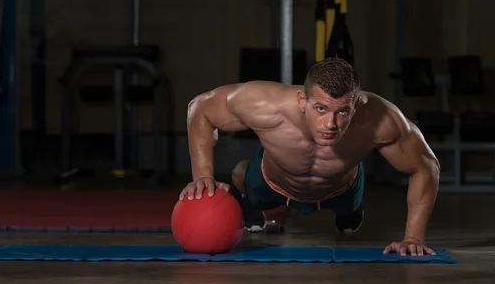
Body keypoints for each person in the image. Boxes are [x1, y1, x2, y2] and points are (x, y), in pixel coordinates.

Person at [179, 58, 440, 256]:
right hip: (273, 182)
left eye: (343, 112)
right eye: (321, 108)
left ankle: (350, 211)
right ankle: (250, 206)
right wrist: (203, 176)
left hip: (340, 187)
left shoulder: (381, 120)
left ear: (356, 105)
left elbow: (426, 166)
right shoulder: (265, 105)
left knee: (349, 217)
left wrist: (413, 238)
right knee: (240, 175)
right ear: (303, 100)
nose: (331, 124)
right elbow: (200, 108)